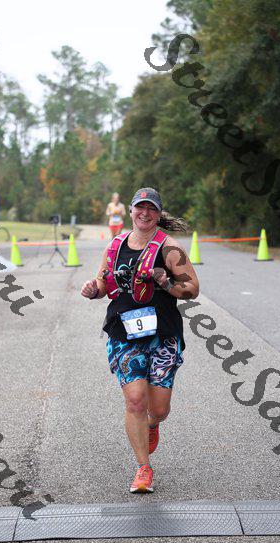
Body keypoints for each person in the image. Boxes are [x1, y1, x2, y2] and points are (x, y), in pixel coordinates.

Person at [81, 187, 199, 493]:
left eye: (151, 209)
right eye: (140, 207)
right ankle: (143, 468)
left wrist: (166, 282)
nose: (145, 213)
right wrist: (93, 290)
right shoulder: (116, 245)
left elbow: (192, 288)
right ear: (131, 211)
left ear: (158, 214)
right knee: (135, 400)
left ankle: (153, 424)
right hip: (124, 332)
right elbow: (103, 282)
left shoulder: (169, 248)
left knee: (158, 409)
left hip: (163, 334)